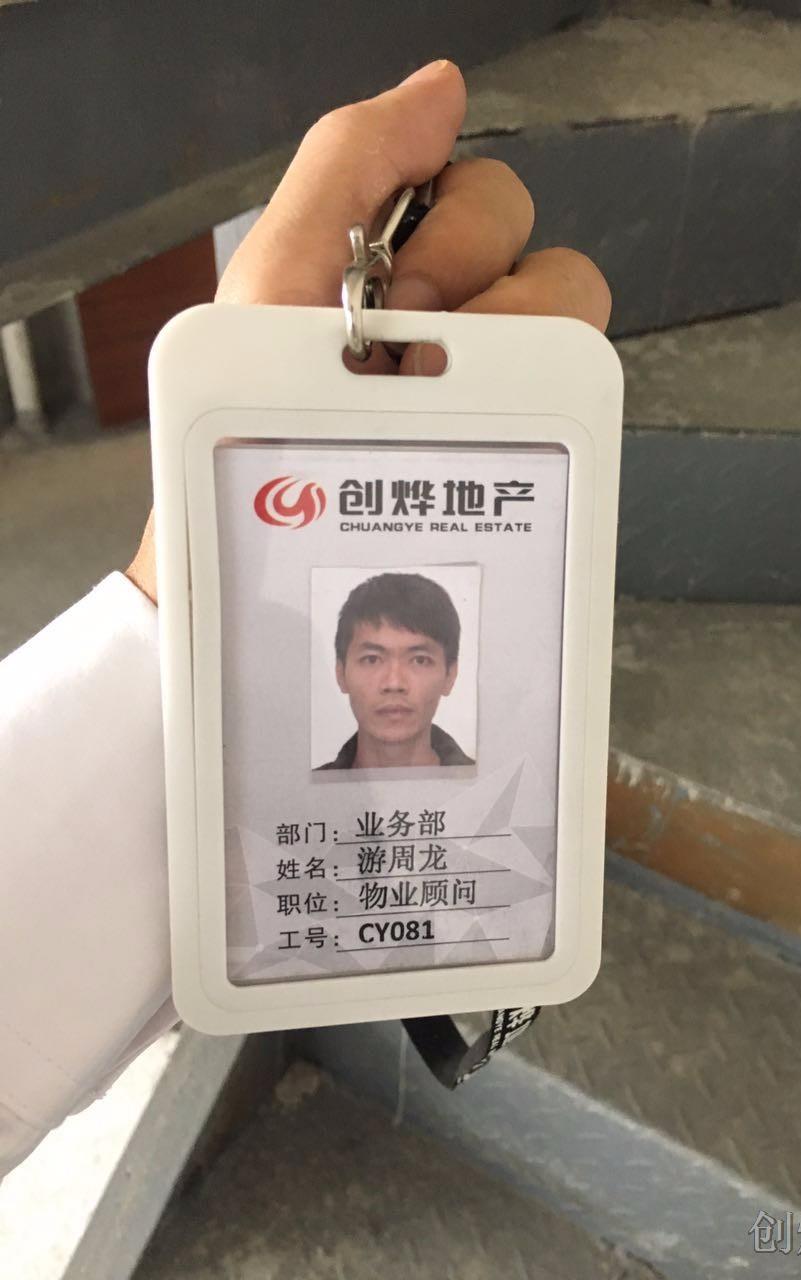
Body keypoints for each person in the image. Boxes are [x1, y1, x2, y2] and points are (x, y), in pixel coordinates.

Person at [0, 58, 611, 1178]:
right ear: (337, 671)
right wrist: (190, 623)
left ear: (453, 671)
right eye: (371, 652)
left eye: (419, 655)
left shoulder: (507, 795)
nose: (395, 678)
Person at [321, 572, 473, 769]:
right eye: (372, 659)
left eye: (420, 660)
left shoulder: (490, 783)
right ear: (341, 674)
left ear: (450, 676)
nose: (394, 683)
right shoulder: (299, 786)